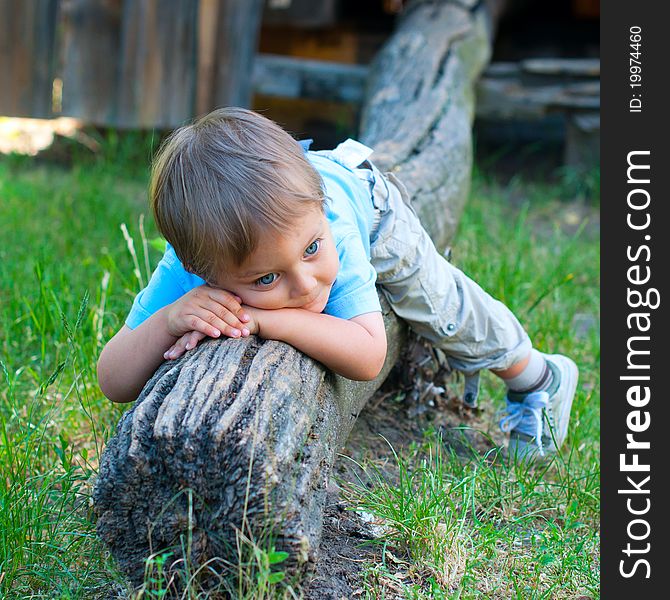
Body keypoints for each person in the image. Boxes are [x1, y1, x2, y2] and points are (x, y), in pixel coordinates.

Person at [97, 107, 578, 461]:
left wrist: (266, 316)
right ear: (200, 270)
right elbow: (112, 379)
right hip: (310, 204)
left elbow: (367, 355)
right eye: (266, 278)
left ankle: (536, 377)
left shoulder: (333, 233)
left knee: (438, 305)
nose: (307, 285)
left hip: (369, 207)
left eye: (310, 251)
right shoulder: (192, 259)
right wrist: (166, 321)